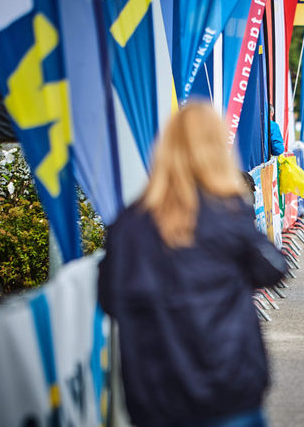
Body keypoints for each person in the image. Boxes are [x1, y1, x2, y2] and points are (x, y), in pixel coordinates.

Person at [98, 102, 287, 427]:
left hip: (154, 392)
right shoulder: (228, 214)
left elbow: (110, 299)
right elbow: (274, 268)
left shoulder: (129, 223)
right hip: (228, 382)